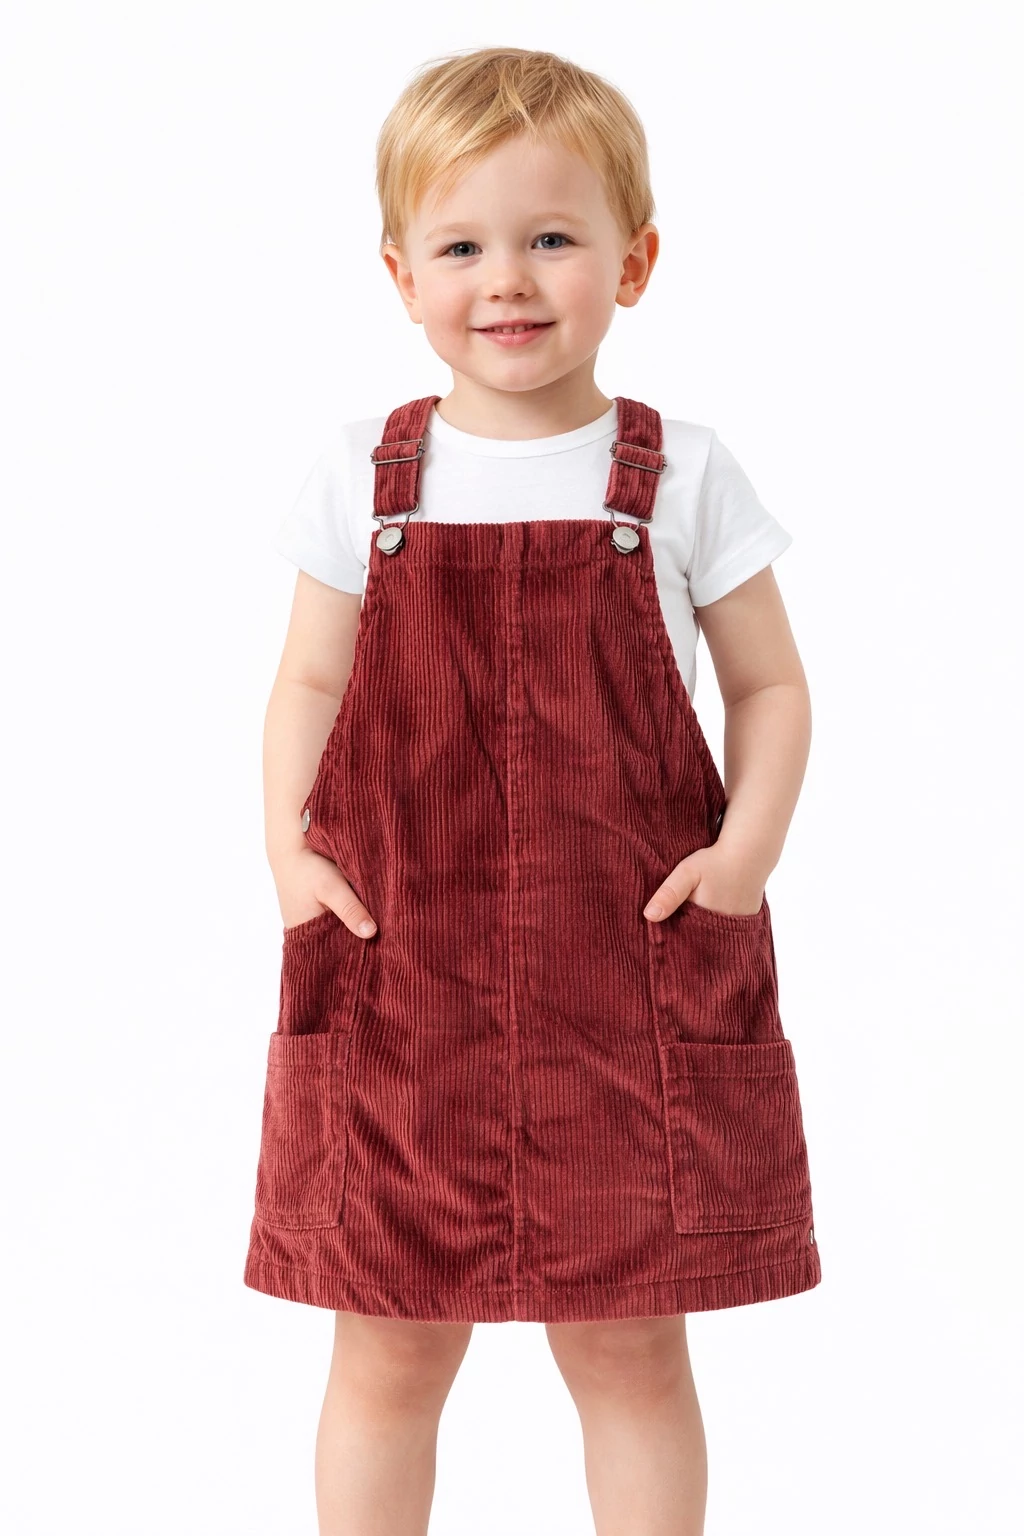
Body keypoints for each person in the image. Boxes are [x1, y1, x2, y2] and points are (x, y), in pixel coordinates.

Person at [244, 45, 821, 1536]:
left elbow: (769, 685)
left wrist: (745, 856)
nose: (507, 280)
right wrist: (291, 854)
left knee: (630, 1342)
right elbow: (308, 682)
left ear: (634, 262)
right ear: (400, 275)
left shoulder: (680, 475)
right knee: (387, 1341)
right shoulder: (362, 479)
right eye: (462, 248)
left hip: (627, 969)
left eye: (552, 237)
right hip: (399, 969)